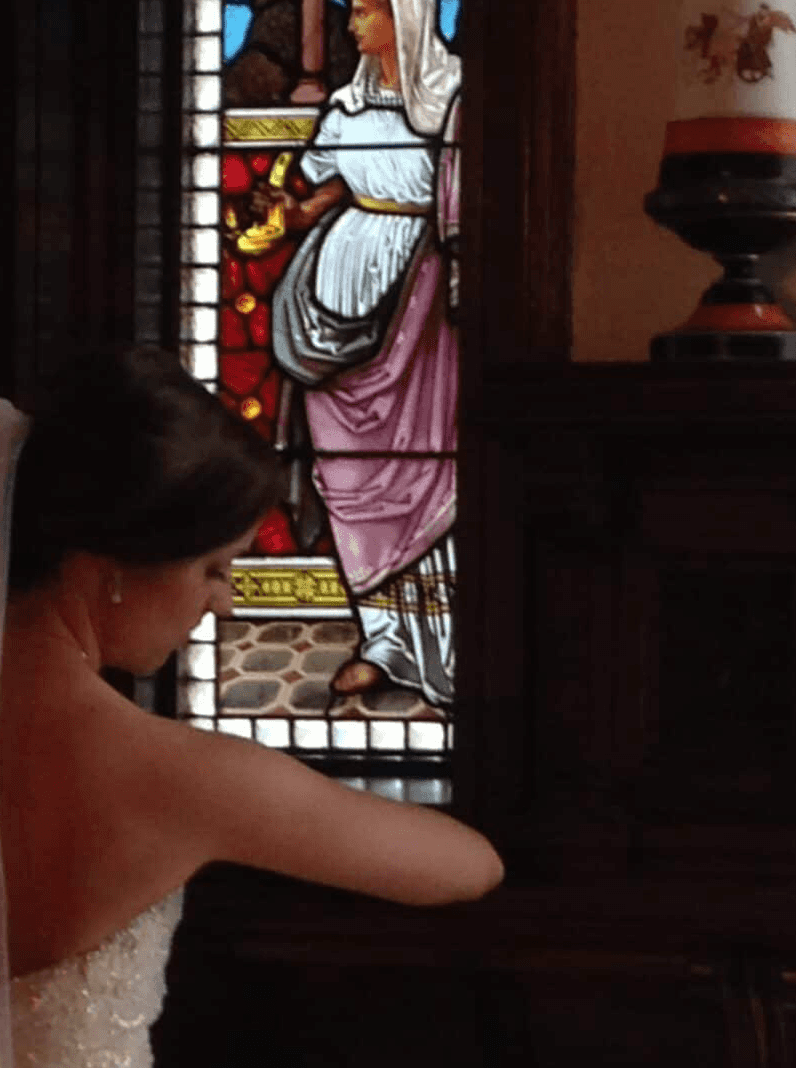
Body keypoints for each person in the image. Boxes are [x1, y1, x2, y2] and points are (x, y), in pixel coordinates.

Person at [0, 347, 503, 1068]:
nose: (219, 602)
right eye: (212, 568)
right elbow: (470, 868)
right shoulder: (180, 778)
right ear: (109, 569)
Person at [260, 0, 463, 708]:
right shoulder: (346, 106)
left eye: (367, 10)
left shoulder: (451, 102)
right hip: (333, 303)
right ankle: (380, 636)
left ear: (405, 17)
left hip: (419, 309)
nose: (351, 23)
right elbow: (334, 185)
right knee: (347, 478)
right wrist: (288, 216)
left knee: (426, 473)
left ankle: (438, 640)